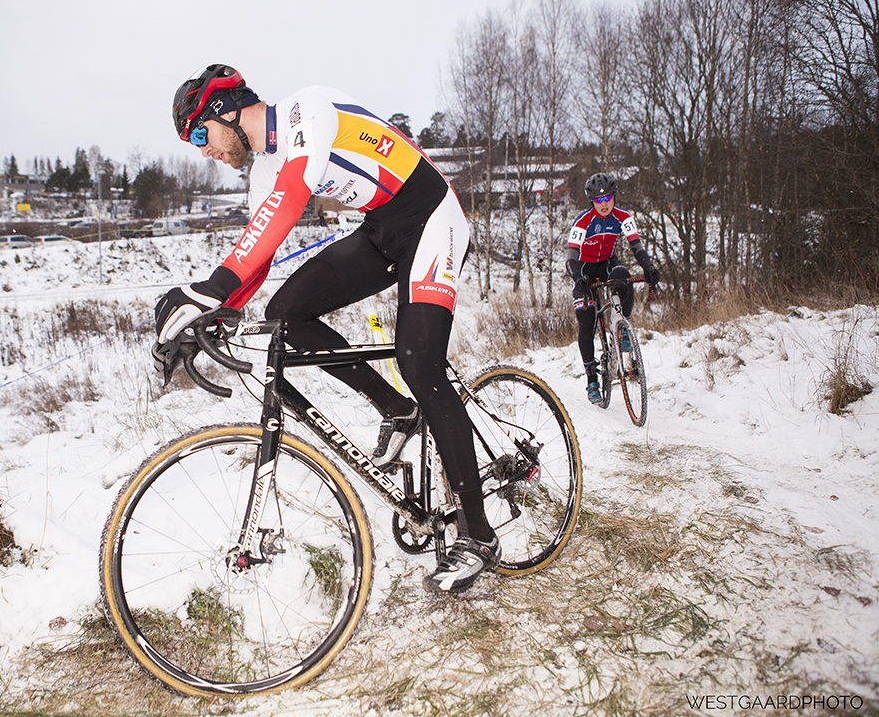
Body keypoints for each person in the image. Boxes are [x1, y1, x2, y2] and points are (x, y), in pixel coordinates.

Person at [153, 64, 498, 593]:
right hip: (382, 229)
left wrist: (212, 289)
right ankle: (397, 409)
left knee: (419, 362)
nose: (205, 153)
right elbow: (259, 253)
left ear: (224, 110)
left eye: (201, 136)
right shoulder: (264, 170)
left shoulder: (304, 112)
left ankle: (478, 534)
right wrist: (211, 313)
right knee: (286, 314)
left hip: (432, 215)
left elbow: (291, 199)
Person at [567, 172, 660, 404]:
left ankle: (621, 329)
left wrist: (649, 267)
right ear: (592, 202)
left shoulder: (623, 217)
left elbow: (637, 247)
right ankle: (592, 379)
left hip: (608, 263)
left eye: (608, 198)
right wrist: (578, 278)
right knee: (586, 323)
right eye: (599, 200)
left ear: (614, 197)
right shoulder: (582, 221)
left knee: (623, 276)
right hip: (585, 269)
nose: (604, 204)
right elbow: (571, 257)